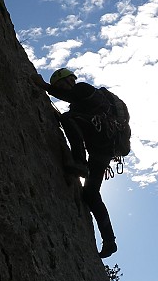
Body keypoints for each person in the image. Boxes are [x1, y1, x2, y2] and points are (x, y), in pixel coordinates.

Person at [34, 68, 119, 259]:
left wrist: (46, 87)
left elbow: (69, 98)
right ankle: (110, 240)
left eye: (61, 84)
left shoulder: (84, 89)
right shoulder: (80, 106)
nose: (61, 88)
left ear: (69, 80)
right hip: (101, 152)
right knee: (90, 193)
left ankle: (79, 162)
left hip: (100, 146)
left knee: (67, 117)